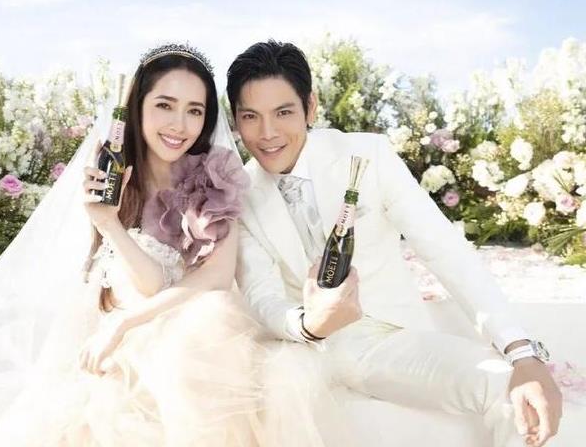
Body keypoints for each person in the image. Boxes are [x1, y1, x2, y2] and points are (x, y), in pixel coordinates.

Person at [0, 43, 264, 447]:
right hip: (118, 336)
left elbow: (216, 279)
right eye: (165, 105)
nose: (180, 125)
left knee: (201, 334)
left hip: (187, 337)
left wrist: (125, 323)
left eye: (194, 111)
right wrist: (107, 223)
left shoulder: (214, 178)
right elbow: (144, 284)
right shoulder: (109, 176)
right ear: (137, 107)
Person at [229, 40, 564, 447]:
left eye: (283, 113)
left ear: (310, 107)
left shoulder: (367, 154)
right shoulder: (239, 193)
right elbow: (261, 295)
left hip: (387, 341)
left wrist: (519, 350)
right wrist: (309, 325)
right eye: (251, 117)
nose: (267, 133)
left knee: (513, 392)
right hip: (302, 355)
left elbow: (443, 248)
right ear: (235, 120)